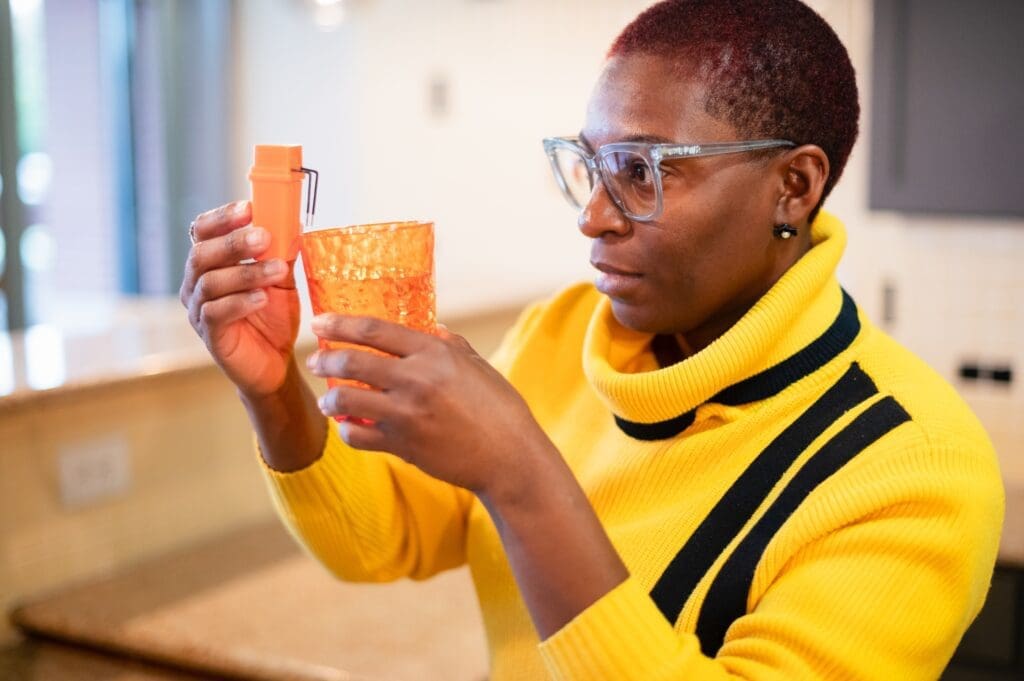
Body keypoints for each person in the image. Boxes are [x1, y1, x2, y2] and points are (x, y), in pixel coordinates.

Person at [180, 1, 1004, 678]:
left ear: (793, 186)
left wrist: (522, 474)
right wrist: (274, 388)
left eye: (644, 172)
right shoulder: (560, 335)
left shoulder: (913, 466)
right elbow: (380, 539)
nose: (592, 215)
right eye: (589, 164)